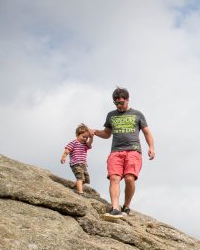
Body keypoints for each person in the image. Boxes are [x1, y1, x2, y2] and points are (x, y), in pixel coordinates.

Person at [90, 87, 155, 219]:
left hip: (133, 150)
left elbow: (147, 132)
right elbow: (107, 134)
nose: (119, 105)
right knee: (114, 178)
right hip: (116, 151)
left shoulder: (137, 114)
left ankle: (126, 206)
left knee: (130, 178)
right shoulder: (111, 115)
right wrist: (95, 132)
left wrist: (151, 147)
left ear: (127, 100)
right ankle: (115, 208)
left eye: (121, 102)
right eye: (116, 103)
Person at [60, 123, 93, 194]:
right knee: (80, 178)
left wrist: (91, 137)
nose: (85, 139)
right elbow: (67, 150)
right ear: (78, 135)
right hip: (76, 163)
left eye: (86, 138)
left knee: (86, 180)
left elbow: (90, 144)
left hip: (83, 164)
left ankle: (74, 186)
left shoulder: (85, 144)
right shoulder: (74, 143)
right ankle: (80, 192)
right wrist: (63, 157)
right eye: (83, 137)